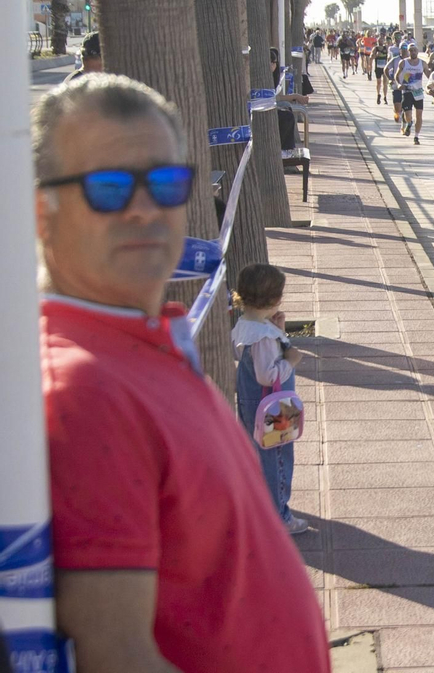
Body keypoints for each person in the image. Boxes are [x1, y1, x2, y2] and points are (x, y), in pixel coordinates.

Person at [34, 74, 330, 673]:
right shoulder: (83, 388)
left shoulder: (139, 349)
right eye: (110, 188)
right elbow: (116, 656)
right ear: (43, 213)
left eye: (166, 184)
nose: (145, 209)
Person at [230, 263, 307, 533]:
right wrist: (290, 360)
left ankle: (263, 505)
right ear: (275, 299)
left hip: (255, 402)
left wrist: (279, 331)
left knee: (259, 453)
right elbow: (267, 374)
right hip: (273, 405)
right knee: (278, 457)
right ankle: (279, 516)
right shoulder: (263, 336)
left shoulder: (246, 324)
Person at [270, 47, 313, 151]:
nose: (273, 65)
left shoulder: (273, 77)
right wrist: (295, 97)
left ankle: (288, 150)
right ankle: (283, 150)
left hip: (272, 106)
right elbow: (272, 99)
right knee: (286, 116)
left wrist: (295, 96)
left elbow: (274, 97)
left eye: (274, 62)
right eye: (271, 62)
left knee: (287, 110)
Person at [388, 41, 428, 143]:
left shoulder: (422, 63)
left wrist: (433, 84)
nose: (413, 52)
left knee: (419, 115)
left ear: (417, 51)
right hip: (407, 91)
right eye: (411, 50)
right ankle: (409, 123)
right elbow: (397, 75)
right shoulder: (403, 62)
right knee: (408, 115)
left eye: (415, 50)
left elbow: (429, 75)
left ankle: (416, 136)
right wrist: (399, 84)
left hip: (418, 92)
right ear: (408, 51)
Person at [372, 30, 391, 105]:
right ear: (377, 41)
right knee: (379, 82)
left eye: (382, 40)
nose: (381, 41)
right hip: (378, 68)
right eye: (379, 40)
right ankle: (378, 94)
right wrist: (376, 55)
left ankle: (385, 97)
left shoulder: (386, 48)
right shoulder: (375, 48)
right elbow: (371, 57)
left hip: (385, 68)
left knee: (385, 83)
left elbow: (389, 55)